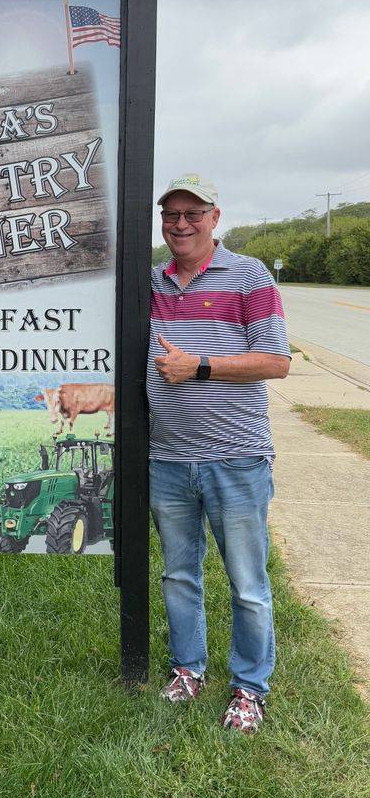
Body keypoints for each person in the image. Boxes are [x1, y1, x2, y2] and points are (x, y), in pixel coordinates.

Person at [147, 174, 290, 733]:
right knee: (180, 575)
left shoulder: (249, 275)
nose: (180, 224)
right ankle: (188, 669)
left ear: (214, 217)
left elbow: (277, 361)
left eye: (192, 214)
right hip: (169, 458)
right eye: (171, 214)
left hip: (237, 457)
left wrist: (199, 366)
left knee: (247, 582)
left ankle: (250, 688)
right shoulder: (152, 282)